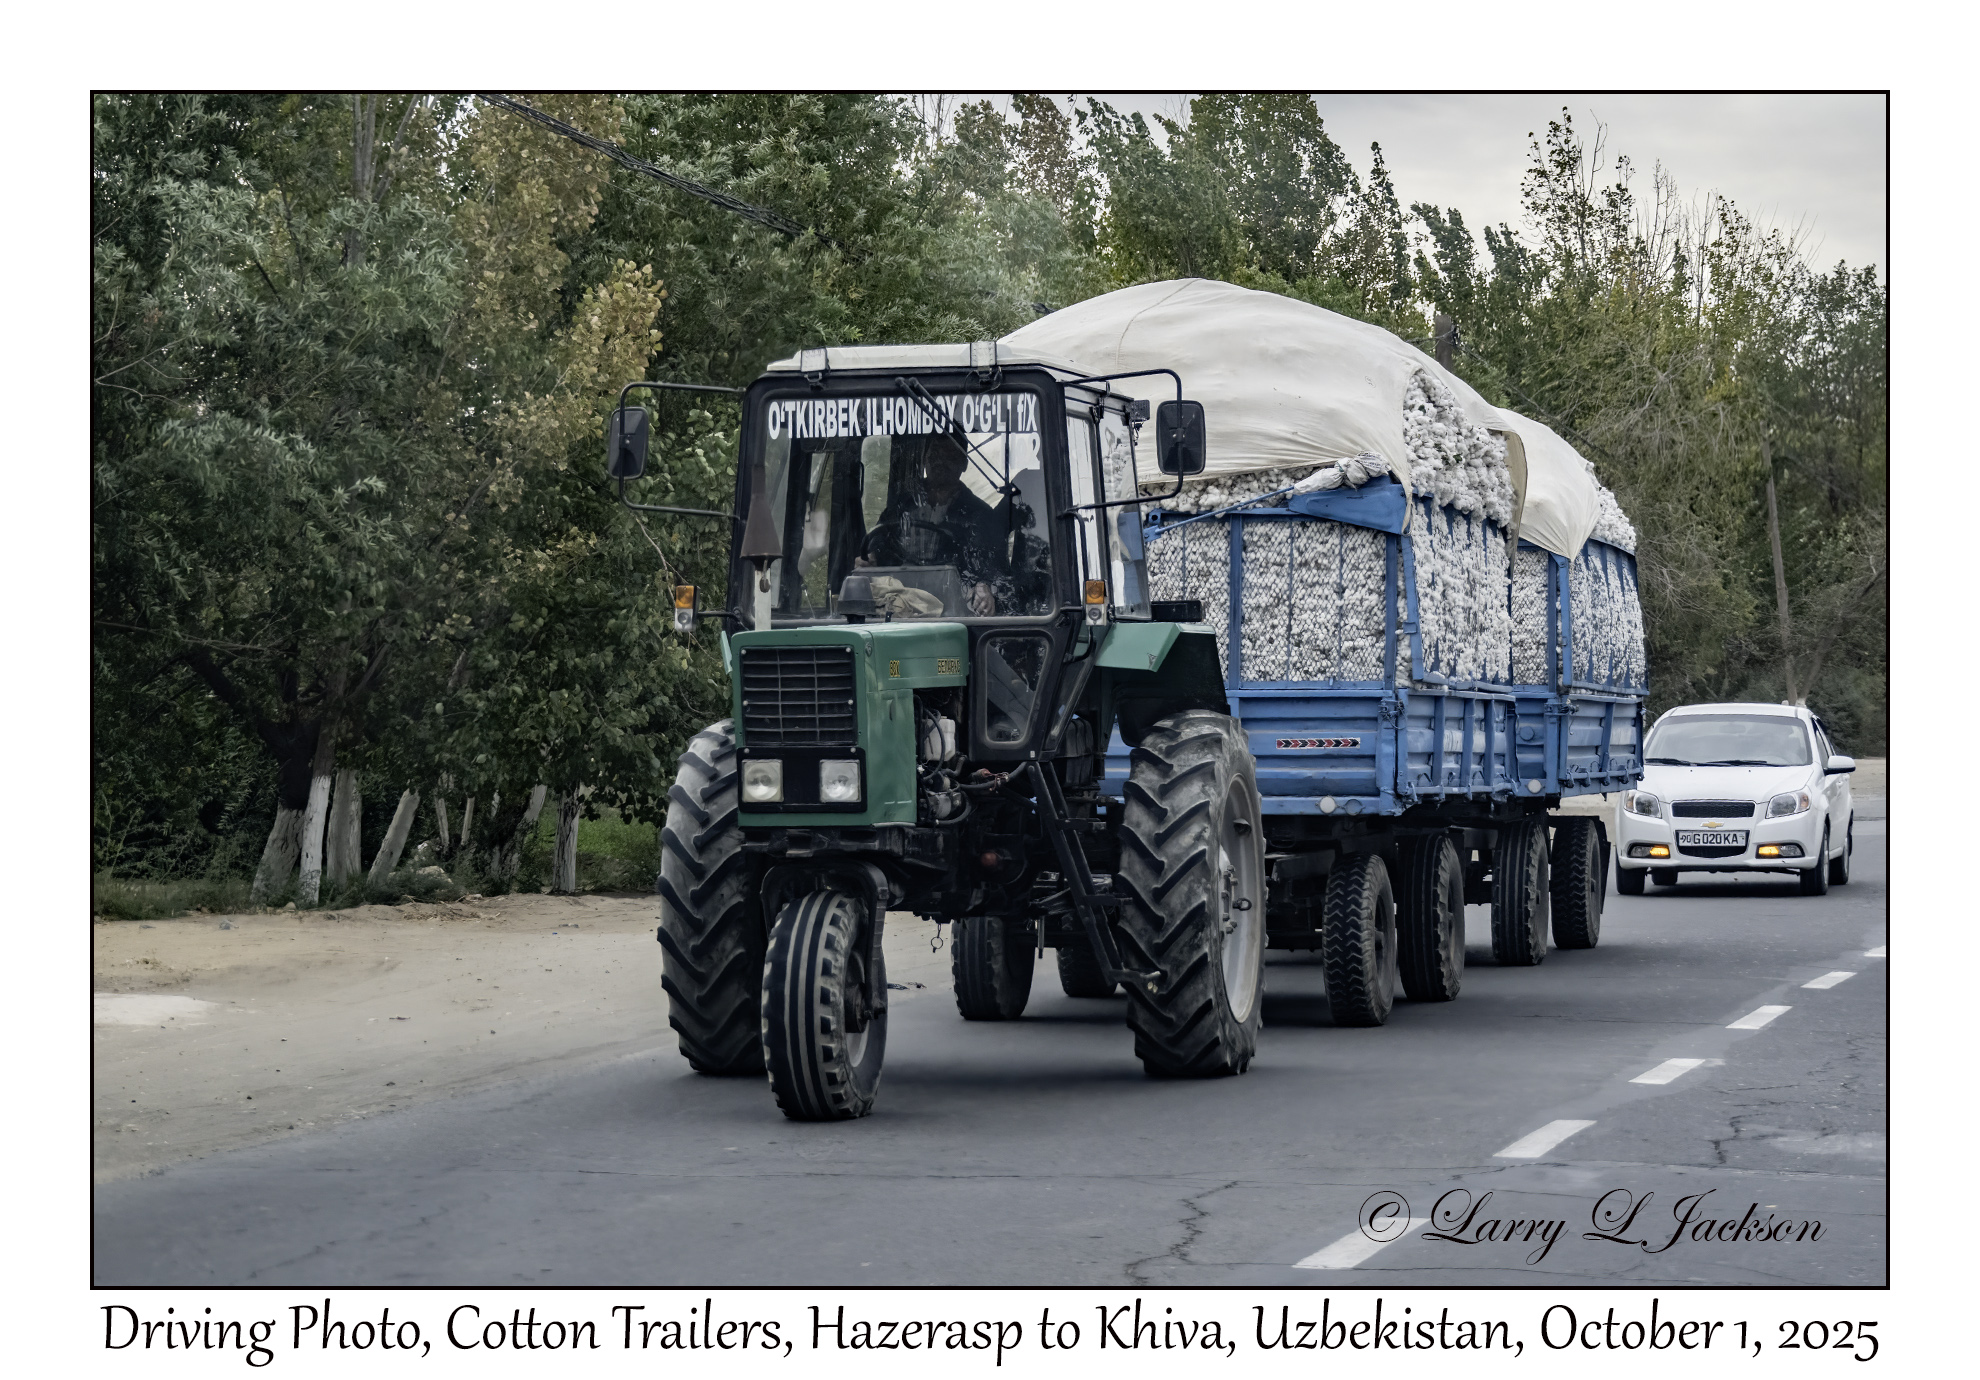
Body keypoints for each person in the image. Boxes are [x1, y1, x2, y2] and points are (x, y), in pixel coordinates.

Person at [855, 435, 1004, 614]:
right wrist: (870, 561)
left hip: (956, 614)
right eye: (934, 454)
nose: (940, 461)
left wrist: (986, 588)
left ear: (964, 463)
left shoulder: (981, 516)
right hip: (899, 609)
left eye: (949, 455)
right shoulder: (901, 507)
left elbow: (998, 572)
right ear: (924, 460)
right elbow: (878, 547)